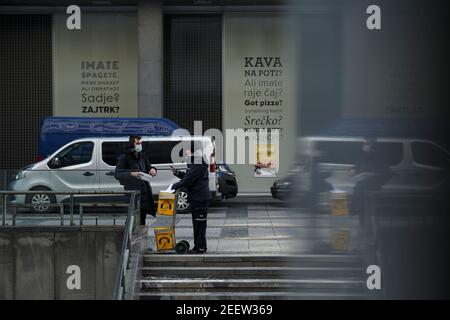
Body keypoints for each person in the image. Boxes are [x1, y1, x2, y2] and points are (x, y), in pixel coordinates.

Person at [171, 148, 211, 254]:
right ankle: (200, 246)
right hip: (196, 197)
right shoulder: (195, 162)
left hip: (200, 197)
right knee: (197, 223)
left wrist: (173, 186)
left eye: (186, 153)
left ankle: (200, 247)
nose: (185, 156)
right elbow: (189, 176)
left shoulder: (199, 162)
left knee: (199, 224)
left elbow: (189, 179)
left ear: (193, 151)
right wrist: (178, 173)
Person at [115, 135, 157, 225]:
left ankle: (141, 238)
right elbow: (117, 174)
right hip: (133, 193)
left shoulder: (142, 156)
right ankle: (130, 238)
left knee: (142, 218)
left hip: (144, 192)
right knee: (132, 219)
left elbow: (149, 167)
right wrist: (131, 174)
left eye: (141, 143)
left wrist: (153, 169)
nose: (140, 145)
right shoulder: (124, 157)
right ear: (131, 144)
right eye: (137, 143)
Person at [349, 137, 391, 224]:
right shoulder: (362, 156)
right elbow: (357, 166)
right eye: (364, 144)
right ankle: (363, 226)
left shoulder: (379, 158)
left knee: (372, 213)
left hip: (372, 188)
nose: (365, 146)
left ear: (372, 145)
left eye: (367, 144)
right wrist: (352, 170)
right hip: (360, 188)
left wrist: (373, 175)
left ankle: (373, 231)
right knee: (361, 211)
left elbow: (387, 173)